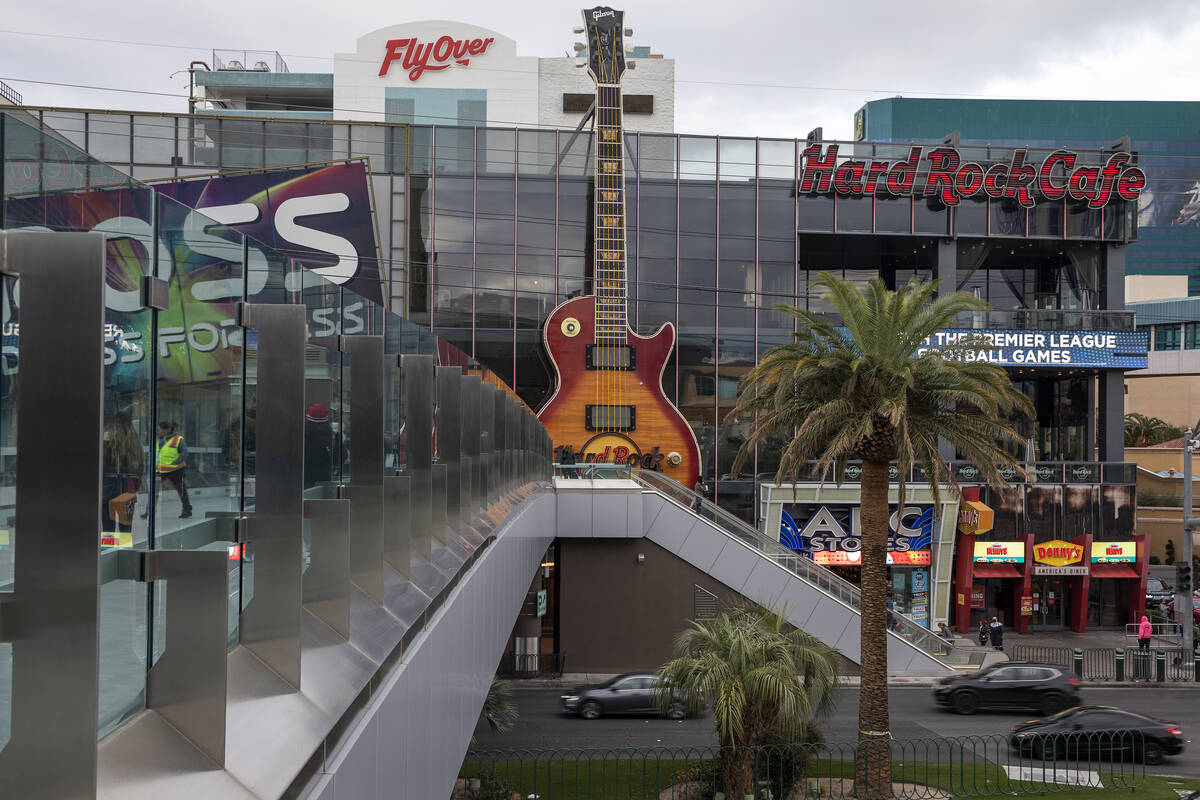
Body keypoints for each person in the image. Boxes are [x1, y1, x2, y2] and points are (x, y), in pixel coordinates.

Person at [102, 411, 144, 532]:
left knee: (108, 529)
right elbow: (139, 469)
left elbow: (103, 467)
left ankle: (110, 550)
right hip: (128, 490)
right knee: (126, 530)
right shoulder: (135, 443)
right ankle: (124, 550)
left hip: (108, 490)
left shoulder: (105, 441)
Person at [154, 421, 192, 518]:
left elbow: (185, 452)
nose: (158, 431)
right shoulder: (158, 439)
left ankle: (187, 510)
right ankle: (149, 511)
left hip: (176, 470)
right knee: (154, 491)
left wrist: (175, 462)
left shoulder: (178, 439)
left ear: (167, 430)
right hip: (161, 470)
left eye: (160, 429)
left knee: (181, 491)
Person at [304, 403, 335, 490]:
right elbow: (339, 457)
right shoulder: (330, 434)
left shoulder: (303, 433)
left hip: (305, 479)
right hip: (325, 480)